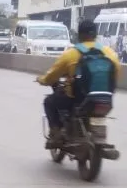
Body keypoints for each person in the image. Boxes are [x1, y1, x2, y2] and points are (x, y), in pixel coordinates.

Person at [37, 18, 119, 147]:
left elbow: (52, 76)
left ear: (79, 35)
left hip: (77, 100)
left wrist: (42, 80)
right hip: (105, 100)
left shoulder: (71, 54)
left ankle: (56, 135)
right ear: (95, 35)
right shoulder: (110, 54)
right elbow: (115, 76)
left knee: (49, 102)